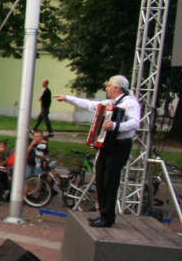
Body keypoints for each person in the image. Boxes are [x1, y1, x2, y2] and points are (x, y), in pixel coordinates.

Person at [58, 76, 141, 227]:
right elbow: (89, 104)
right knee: (101, 177)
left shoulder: (130, 103)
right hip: (107, 144)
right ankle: (102, 213)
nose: (106, 88)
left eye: (109, 86)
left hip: (120, 145)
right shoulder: (110, 103)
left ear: (117, 88)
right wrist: (67, 98)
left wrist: (115, 126)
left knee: (110, 180)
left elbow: (135, 122)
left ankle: (108, 217)